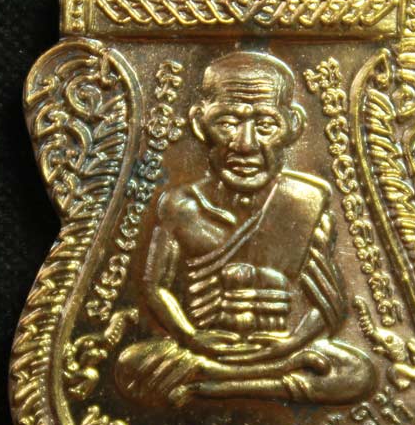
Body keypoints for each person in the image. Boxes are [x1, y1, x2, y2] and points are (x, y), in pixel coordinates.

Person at [115, 51, 376, 406]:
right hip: (207, 345)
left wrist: (290, 344)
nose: (245, 143)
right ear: (199, 123)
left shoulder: (304, 200)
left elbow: (330, 305)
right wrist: (190, 337)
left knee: (357, 372)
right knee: (130, 366)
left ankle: (219, 384)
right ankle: (249, 379)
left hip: (282, 348)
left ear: (292, 125)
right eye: (227, 123)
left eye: (265, 126)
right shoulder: (181, 205)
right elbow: (154, 285)